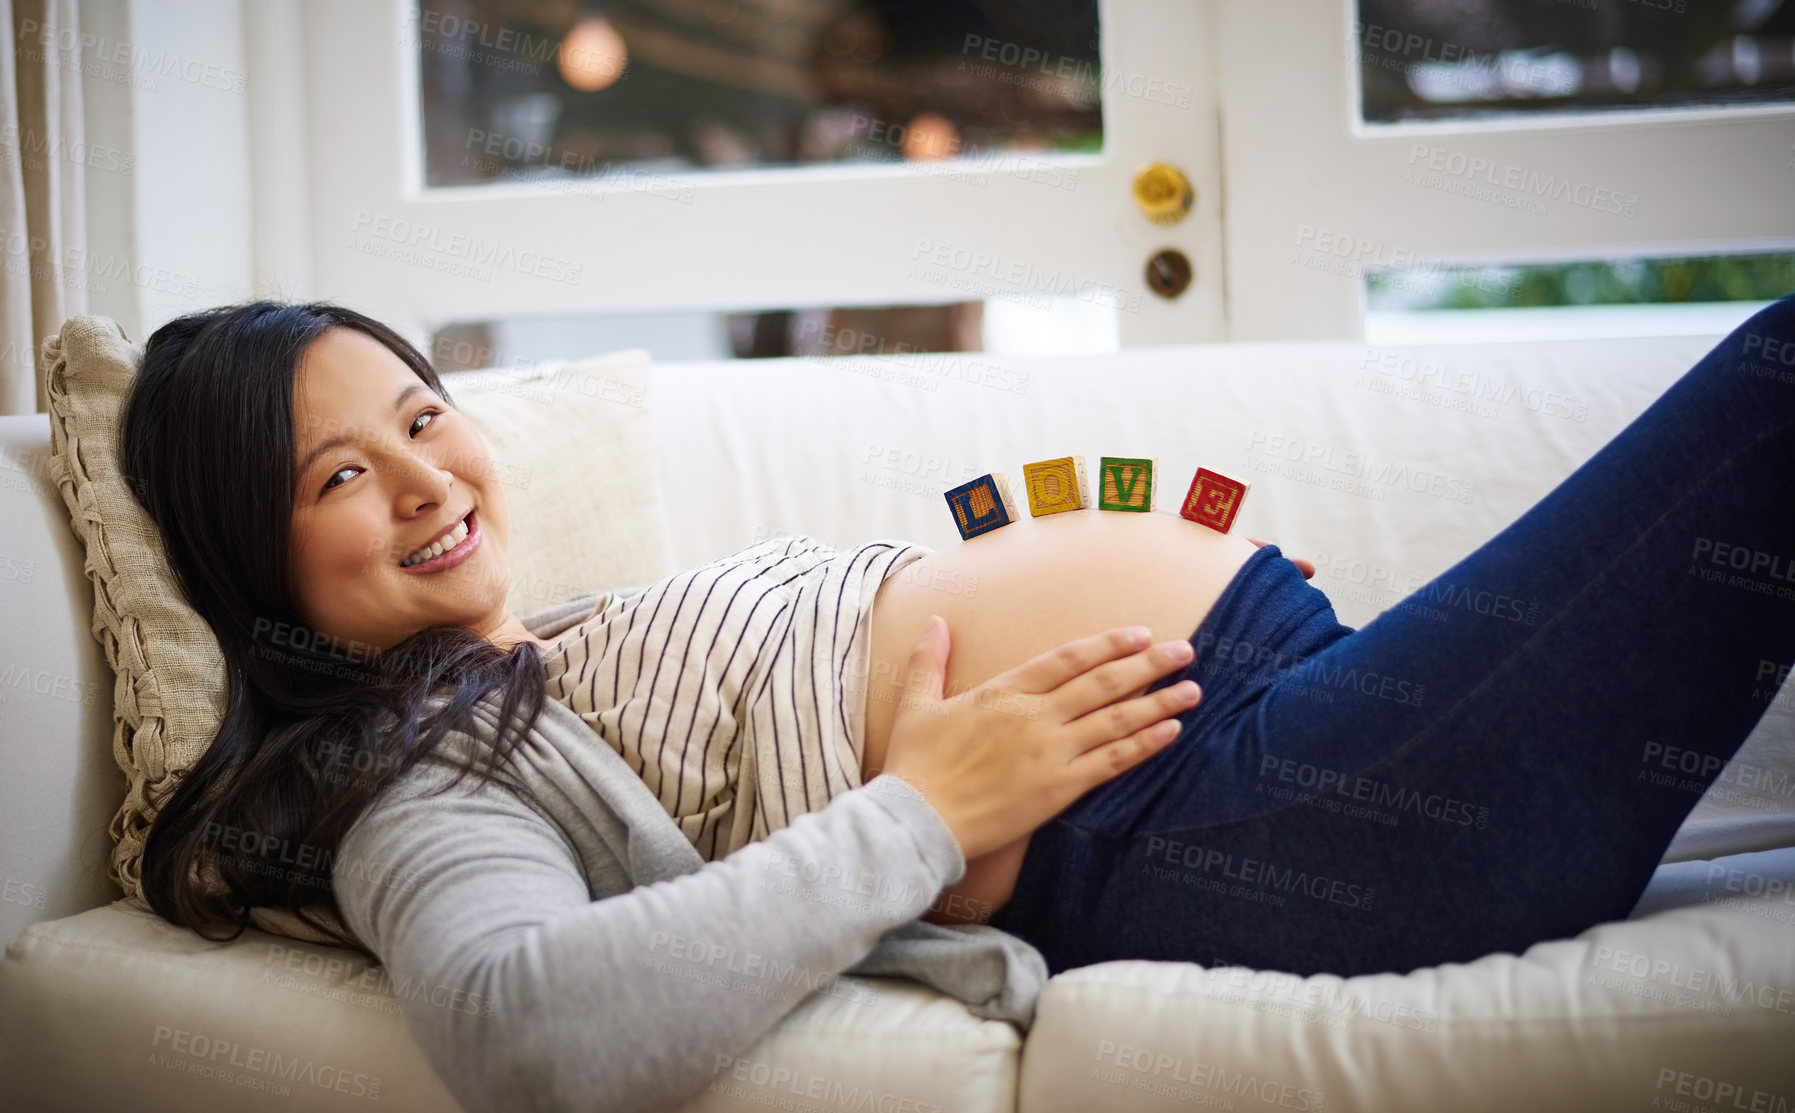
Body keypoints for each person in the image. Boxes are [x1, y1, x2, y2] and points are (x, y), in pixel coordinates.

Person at [119, 294, 1795, 1110]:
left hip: (1281, 717)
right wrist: (926, 818)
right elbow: (523, 1030)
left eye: (423, 414)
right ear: (253, 564)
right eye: (344, 468)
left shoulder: (530, 653)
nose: (425, 477)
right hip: (1232, 810)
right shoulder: (411, 774)